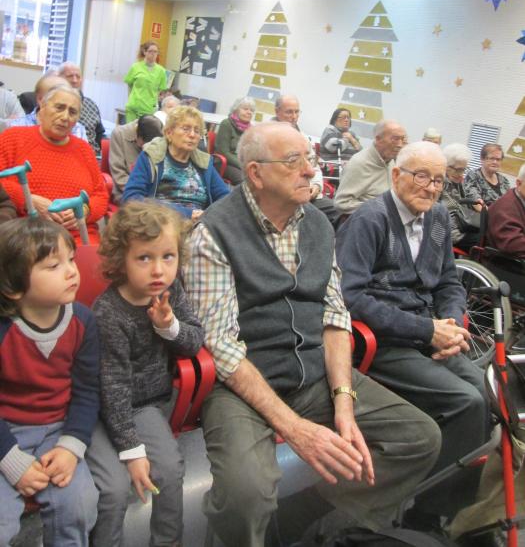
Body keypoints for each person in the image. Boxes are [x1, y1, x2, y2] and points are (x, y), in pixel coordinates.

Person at [184, 122, 441, 547]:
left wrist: (344, 401)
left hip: (313, 374)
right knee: (246, 494)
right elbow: (222, 346)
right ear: (255, 174)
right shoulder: (214, 231)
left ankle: (303, 519)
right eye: (294, 161)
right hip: (243, 384)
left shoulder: (319, 224)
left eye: (309, 158)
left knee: (419, 438)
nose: (310, 170)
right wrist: (296, 429)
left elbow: (335, 316)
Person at [336, 141, 490, 524]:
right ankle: (427, 514)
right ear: (396, 175)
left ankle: (453, 507)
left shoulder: (437, 218)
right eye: (422, 176)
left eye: (438, 180)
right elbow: (350, 297)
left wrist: (451, 324)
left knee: (486, 391)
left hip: (427, 333)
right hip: (383, 342)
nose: (431, 188)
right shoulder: (369, 220)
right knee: (466, 402)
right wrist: (427, 330)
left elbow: (449, 282)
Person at [87, 201, 203, 547]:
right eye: (144, 258)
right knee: (114, 489)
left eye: (168, 256)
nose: (158, 270)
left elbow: (194, 342)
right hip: (105, 407)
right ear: (120, 260)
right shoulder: (109, 312)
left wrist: (169, 326)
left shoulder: (171, 290)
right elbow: (113, 387)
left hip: (146, 406)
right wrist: (132, 450)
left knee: (170, 469)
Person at [0, 217, 99, 546]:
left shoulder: (83, 321)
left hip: (58, 429)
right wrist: (10, 460)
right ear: (13, 287)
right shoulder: (4, 331)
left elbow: (87, 392)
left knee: (79, 505)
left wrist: (71, 447)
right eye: (54, 266)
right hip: (5, 430)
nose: (72, 271)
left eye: (71, 259)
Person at [0, 85, 108, 244]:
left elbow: (101, 194)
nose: (65, 117)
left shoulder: (84, 150)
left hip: (79, 235)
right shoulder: (13, 138)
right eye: (59, 108)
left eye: (72, 112)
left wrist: (85, 210)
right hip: (29, 234)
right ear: (42, 107)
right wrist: (29, 200)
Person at [123, 105, 229, 221]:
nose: (192, 135)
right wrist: (186, 214)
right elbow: (131, 198)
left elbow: (226, 198)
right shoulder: (152, 156)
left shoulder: (204, 163)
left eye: (197, 131)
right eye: (186, 129)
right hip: (160, 223)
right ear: (169, 132)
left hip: (198, 224)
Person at [273, 94, 342, 227]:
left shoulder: (303, 138)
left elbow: (314, 166)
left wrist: (316, 186)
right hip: (285, 195)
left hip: (309, 192)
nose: (294, 116)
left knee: (339, 212)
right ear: (277, 112)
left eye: (297, 112)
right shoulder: (267, 136)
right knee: (312, 219)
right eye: (289, 112)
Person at [334, 119, 407, 215]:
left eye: (403, 139)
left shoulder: (390, 161)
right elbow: (341, 203)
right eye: (395, 139)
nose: (400, 145)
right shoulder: (359, 163)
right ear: (378, 139)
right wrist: (381, 208)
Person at [4, 73, 88, 141]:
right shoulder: (17, 127)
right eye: (59, 107)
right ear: (41, 100)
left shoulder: (78, 129)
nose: (65, 117)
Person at [109, 114, 163, 203]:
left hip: (150, 195)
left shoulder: (158, 138)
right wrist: (140, 194)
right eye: (143, 144)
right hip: (126, 192)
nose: (144, 147)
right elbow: (119, 175)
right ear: (137, 132)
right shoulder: (119, 134)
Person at [441, 143, 482, 253]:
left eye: (464, 169)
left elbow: (468, 197)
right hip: (452, 233)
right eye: (458, 170)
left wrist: (476, 203)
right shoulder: (440, 183)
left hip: (464, 227)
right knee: (485, 244)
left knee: (490, 236)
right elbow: (451, 210)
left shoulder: (458, 181)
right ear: (445, 166)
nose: (461, 174)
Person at [58, 61, 105, 153]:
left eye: (78, 77)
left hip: (92, 154)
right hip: (66, 153)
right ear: (59, 78)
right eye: (70, 76)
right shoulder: (53, 104)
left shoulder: (91, 104)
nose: (75, 80)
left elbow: (100, 134)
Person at [487, 162, 525, 257]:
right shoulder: (506, 207)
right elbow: (513, 244)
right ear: (518, 183)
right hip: (506, 262)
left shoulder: (520, 198)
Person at [215, 96, 255, 185]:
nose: (249, 112)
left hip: (242, 164)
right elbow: (223, 152)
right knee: (245, 182)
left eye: (251, 110)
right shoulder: (226, 124)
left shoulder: (251, 129)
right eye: (245, 109)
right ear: (236, 110)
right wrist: (242, 165)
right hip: (224, 163)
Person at [124, 41, 167, 122]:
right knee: (131, 129)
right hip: (133, 107)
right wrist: (130, 99)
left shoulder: (161, 71)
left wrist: (154, 103)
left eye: (155, 51)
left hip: (148, 108)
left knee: (144, 130)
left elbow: (160, 90)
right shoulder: (135, 67)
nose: (153, 54)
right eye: (150, 51)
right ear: (144, 52)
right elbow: (129, 85)